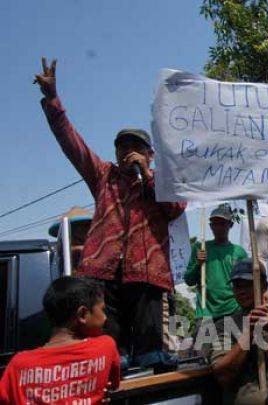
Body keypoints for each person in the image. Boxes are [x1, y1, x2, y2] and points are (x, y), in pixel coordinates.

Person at [35, 58, 187, 370]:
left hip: (147, 279)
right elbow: (72, 144)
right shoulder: (104, 176)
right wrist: (53, 100)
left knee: (150, 357)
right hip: (103, 279)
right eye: (122, 146)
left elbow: (175, 210)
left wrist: (149, 176)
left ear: (149, 154)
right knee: (107, 355)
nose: (127, 151)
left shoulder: (163, 181)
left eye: (135, 146)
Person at [0, 277, 120, 404]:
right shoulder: (104, 347)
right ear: (83, 314)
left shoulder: (18, 365)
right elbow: (113, 384)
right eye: (102, 310)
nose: (105, 317)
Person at [208, 259, 268, 404]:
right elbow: (223, 375)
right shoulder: (224, 326)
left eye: (248, 285)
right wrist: (249, 332)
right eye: (238, 286)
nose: (242, 291)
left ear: (264, 286)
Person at [185, 204, 248, 327]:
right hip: (206, 312)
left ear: (230, 225)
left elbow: (245, 284)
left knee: (233, 346)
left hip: (233, 311)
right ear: (210, 226)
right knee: (203, 346)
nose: (218, 227)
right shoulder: (200, 248)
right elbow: (189, 280)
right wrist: (199, 264)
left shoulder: (239, 252)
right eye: (214, 223)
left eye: (222, 223)